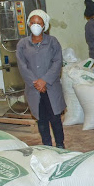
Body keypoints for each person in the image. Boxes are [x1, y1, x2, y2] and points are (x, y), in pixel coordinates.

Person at [16, 9, 65, 148]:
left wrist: (45, 80)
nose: (35, 25)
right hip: (34, 89)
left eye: (39, 23)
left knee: (55, 118)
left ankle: (60, 145)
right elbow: (22, 65)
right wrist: (35, 82)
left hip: (51, 87)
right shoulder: (22, 44)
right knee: (41, 119)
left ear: (45, 26)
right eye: (33, 22)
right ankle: (47, 146)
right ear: (28, 24)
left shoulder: (52, 42)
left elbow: (57, 62)